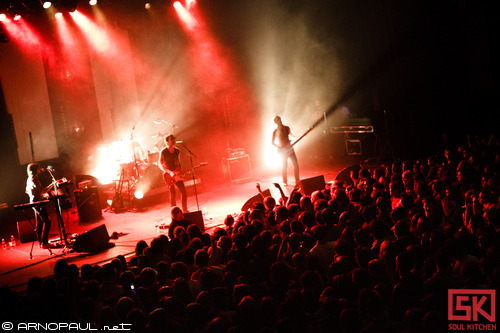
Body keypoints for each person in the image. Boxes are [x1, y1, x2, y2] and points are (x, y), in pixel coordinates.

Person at [25, 163, 52, 248]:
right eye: (38, 168)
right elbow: (42, 191)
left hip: (34, 202)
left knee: (39, 223)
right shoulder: (34, 179)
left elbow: (28, 191)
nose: (40, 169)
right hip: (38, 203)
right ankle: (44, 242)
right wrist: (53, 184)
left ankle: (41, 242)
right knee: (47, 221)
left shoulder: (29, 179)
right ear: (35, 170)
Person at [159, 134, 188, 212]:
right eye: (171, 139)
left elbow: (178, 163)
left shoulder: (177, 151)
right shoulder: (163, 151)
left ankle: (185, 209)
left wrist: (180, 171)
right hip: (168, 174)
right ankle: (174, 212)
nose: (173, 140)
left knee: (183, 191)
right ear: (167, 141)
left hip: (176, 173)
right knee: (172, 193)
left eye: (174, 139)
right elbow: (160, 164)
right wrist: (169, 172)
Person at [272, 116, 300, 186]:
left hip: (290, 149)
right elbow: (272, 142)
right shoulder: (275, 131)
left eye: (280, 119)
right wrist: (280, 147)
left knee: (296, 165)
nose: (280, 121)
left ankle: (297, 180)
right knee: (284, 166)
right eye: (277, 120)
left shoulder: (287, 128)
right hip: (283, 151)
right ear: (276, 122)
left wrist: (299, 136)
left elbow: (292, 135)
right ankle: (285, 181)